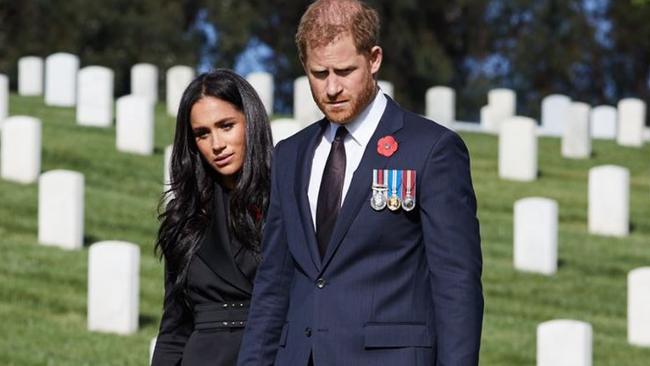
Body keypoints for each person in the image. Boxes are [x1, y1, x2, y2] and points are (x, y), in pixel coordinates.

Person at [238, 0, 484, 365]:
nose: (332, 88)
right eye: (319, 74)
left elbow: (456, 284)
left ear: (374, 60)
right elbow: (273, 283)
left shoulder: (431, 150)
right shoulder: (290, 155)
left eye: (345, 70)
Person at [151, 69, 273, 366]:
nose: (216, 144)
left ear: (250, 121)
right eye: (202, 134)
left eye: (226, 126)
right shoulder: (185, 219)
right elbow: (174, 327)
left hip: (271, 351)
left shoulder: (290, 199)